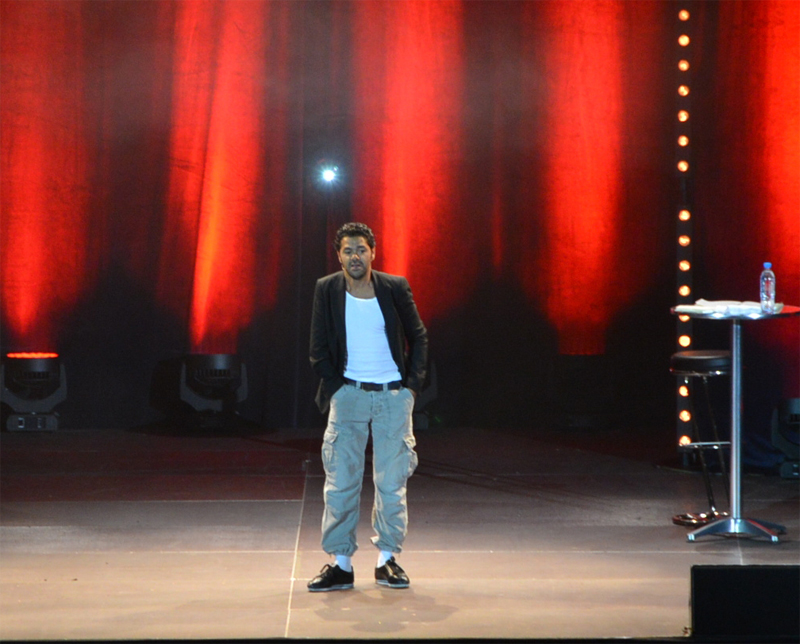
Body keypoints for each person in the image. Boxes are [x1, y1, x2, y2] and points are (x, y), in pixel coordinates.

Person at [307, 222, 428, 591]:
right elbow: (318, 349)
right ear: (338, 255)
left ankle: (387, 560)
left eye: (361, 249)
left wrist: (410, 389)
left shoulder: (394, 287)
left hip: (393, 397)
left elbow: (418, 336)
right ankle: (340, 564)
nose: (355, 256)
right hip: (349, 396)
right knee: (340, 482)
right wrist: (337, 390)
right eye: (348, 251)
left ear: (373, 252)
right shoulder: (327, 288)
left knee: (391, 483)